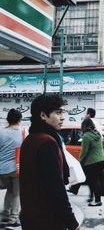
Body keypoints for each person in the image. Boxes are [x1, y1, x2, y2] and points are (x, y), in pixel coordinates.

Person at [19, 94, 80, 230]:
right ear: (43, 115)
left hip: (30, 218)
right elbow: (56, 188)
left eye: (62, 112)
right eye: (58, 112)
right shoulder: (47, 143)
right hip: (47, 220)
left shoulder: (29, 140)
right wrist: (72, 223)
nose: (63, 117)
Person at [0, 109, 23, 228]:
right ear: (19, 120)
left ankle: (5, 216)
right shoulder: (22, 132)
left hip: (2, 170)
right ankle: (13, 219)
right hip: (16, 169)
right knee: (16, 193)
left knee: (10, 191)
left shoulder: (1, 132)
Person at [80, 118, 104, 207]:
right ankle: (92, 197)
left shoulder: (86, 136)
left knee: (93, 181)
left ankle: (97, 201)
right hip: (102, 160)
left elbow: (84, 151)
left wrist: (80, 162)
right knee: (95, 180)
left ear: (84, 126)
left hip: (92, 161)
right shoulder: (97, 133)